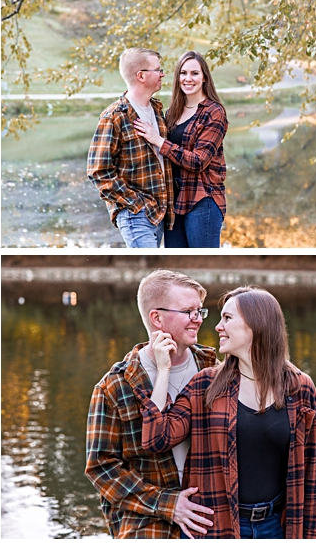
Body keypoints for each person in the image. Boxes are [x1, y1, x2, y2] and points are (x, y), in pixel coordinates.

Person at [141, 286, 316, 538]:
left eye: (227, 318)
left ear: (256, 325)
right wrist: (163, 370)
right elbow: (155, 439)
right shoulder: (206, 385)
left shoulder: (300, 387)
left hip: (277, 527)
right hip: (214, 525)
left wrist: (312, 537)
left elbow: (312, 475)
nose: (217, 326)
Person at [85, 270, 219, 538]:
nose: (197, 320)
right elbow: (101, 467)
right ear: (156, 317)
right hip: (146, 519)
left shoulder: (213, 368)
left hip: (209, 510)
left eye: (199, 312)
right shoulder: (113, 386)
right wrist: (169, 505)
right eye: (188, 312)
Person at [133, 51, 228, 248]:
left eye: (194, 73)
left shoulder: (214, 112)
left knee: (201, 261)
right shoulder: (172, 112)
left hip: (203, 199)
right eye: (183, 73)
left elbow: (199, 161)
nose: (188, 79)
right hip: (173, 202)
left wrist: (159, 141)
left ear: (204, 78)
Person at [88, 47, 173, 247]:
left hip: (160, 213)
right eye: (158, 69)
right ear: (141, 76)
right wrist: (136, 204)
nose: (162, 74)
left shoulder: (157, 110)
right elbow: (98, 171)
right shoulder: (114, 116)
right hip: (136, 216)